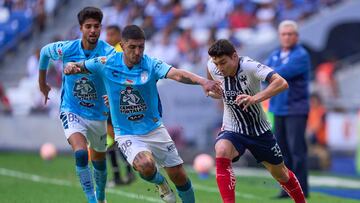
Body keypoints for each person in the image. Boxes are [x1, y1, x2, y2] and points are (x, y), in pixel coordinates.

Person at [64, 24, 222, 203]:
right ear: (122, 46)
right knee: (145, 165)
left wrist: (203, 81)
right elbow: (80, 66)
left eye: (141, 47)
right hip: (127, 133)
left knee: (179, 175)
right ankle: (160, 182)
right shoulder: (106, 63)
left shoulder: (151, 64)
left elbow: (177, 74)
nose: (137, 52)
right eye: (132, 47)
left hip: (154, 129)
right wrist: (71, 65)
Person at [207, 39, 307, 203]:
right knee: (222, 150)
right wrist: (210, 88)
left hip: (259, 131)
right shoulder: (212, 65)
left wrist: (254, 98)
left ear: (234, 56)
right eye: (216, 63)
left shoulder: (249, 66)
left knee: (281, 173)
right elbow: (211, 84)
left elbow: (281, 83)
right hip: (232, 128)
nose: (219, 68)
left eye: (223, 63)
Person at [38, 7, 115, 203]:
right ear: (81, 28)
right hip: (72, 110)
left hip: (98, 114)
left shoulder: (109, 52)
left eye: (96, 26)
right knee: (81, 153)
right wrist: (42, 83)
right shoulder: (67, 48)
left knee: (99, 161)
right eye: (88, 26)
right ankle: (91, 200)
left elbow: (118, 76)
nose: (92, 30)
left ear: (100, 28)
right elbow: (45, 53)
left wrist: (112, 95)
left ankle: (101, 196)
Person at [266, 20, 311, 198]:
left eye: (290, 34)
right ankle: (288, 189)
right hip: (278, 109)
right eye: (284, 34)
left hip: (295, 109)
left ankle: (302, 189)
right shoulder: (276, 54)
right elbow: (265, 74)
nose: (287, 37)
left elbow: (276, 74)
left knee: (297, 151)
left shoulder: (301, 55)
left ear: (296, 36)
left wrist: (269, 72)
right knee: (282, 152)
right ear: (279, 36)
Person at [105, 24, 135, 186]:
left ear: (118, 35)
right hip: (116, 99)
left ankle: (121, 174)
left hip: (114, 101)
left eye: (111, 34)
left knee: (113, 139)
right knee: (113, 139)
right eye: (107, 35)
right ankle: (125, 174)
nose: (108, 38)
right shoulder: (114, 51)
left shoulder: (117, 51)